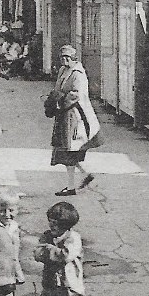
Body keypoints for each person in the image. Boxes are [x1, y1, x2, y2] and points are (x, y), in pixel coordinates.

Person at [48, 45, 102, 196]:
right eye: (62, 58)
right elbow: (58, 88)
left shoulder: (78, 74)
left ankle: (72, 186)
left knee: (69, 149)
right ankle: (84, 174)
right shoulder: (63, 70)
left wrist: (60, 101)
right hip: (64, 113)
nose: (64, 60)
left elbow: (76, 94)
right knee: (67, 150)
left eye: (68, 58)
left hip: (74, 115)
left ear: (74, 58)